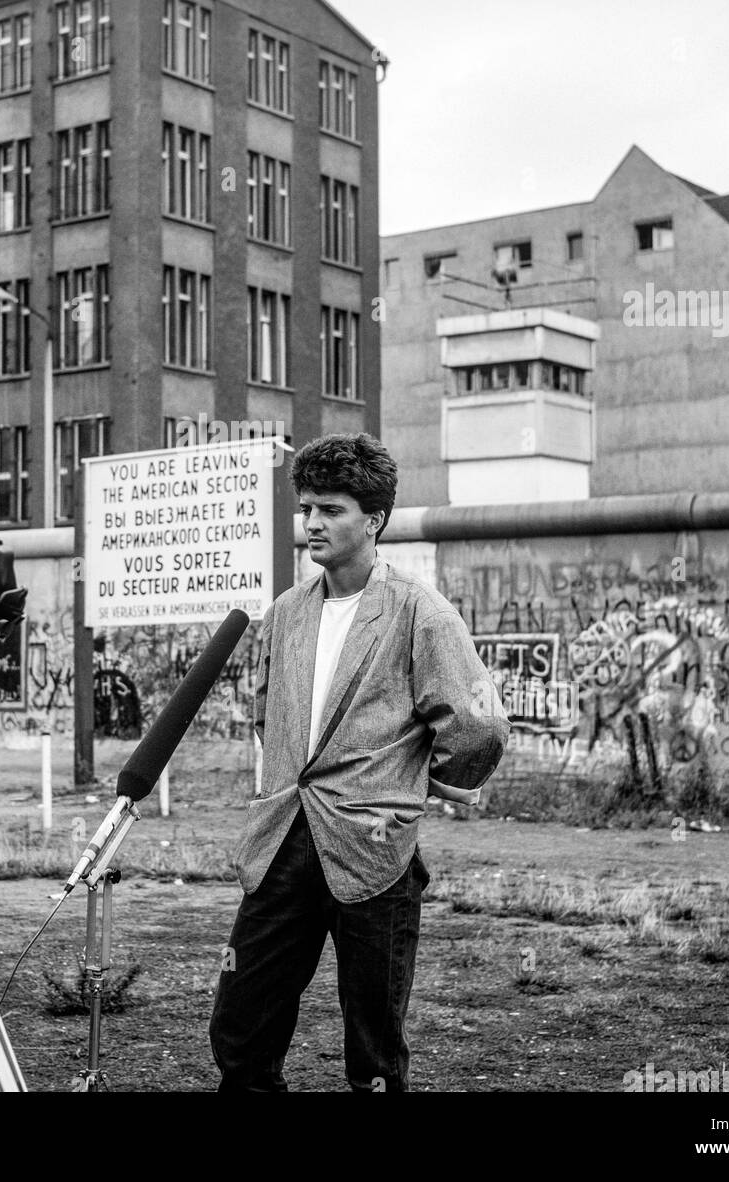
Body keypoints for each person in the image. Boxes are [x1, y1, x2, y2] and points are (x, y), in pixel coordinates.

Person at [209, 432, 509, 1091]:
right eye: (308, 508)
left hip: (375, 848)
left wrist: (408, 779)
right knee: (240, 1026)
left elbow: (476, 724)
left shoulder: (419, 614)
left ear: (373, 520)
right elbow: (282, 720)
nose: (313, 523)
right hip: (284, 838)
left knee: (373, 1048)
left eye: (331, 509)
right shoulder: (288, 612)